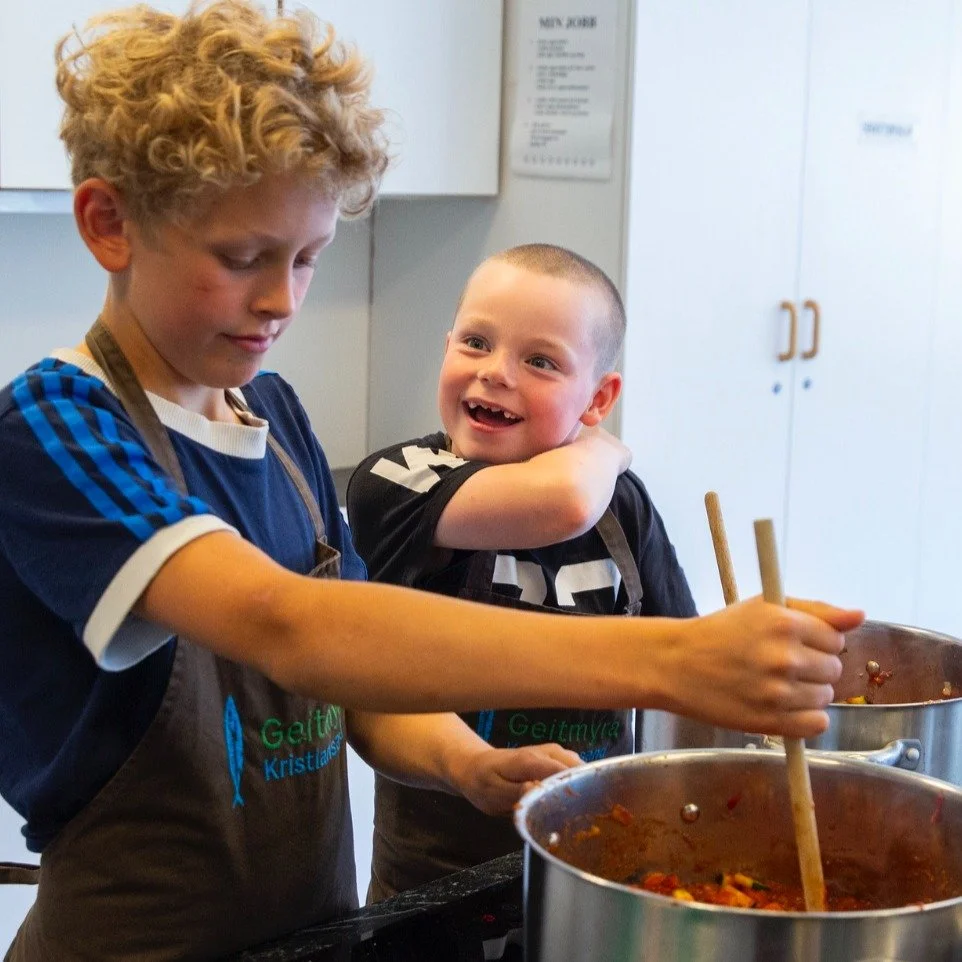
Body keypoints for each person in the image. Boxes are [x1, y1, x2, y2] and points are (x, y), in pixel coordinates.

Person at [0, 2, 861, 959]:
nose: (283, 299)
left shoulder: (271, 417)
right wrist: (673, 658)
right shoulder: (59, 432)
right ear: (109, 222)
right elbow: (290, 628)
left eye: (309, 257)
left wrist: (466, 762)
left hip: (316, 935)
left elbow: (357, 683)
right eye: (243, 259)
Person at [346, 243, 701, 899]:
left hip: (600, 866)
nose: (496, 373)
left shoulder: (620, 505)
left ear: (600, 396)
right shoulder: (396, 482)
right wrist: (604, 445)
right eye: (476, 343)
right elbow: (558, 504)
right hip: (437, 878)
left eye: (540, 361)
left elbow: (684, 667)